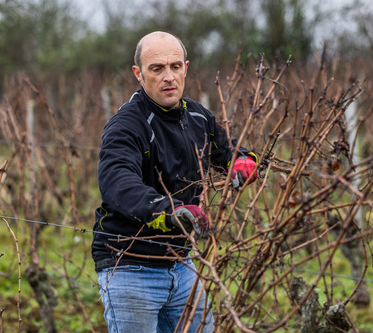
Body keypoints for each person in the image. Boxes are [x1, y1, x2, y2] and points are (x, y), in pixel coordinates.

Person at [91, 31, 258, 333]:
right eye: (157, 68)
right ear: (138, 74)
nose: (169, 76)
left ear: (186, 68)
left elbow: (226, 149)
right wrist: (169, 211)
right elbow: (117, 181)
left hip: (181, 262)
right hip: (129, 265)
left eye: (175, 66)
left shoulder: (196, 115)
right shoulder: (127, 125)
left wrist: (244, 160)